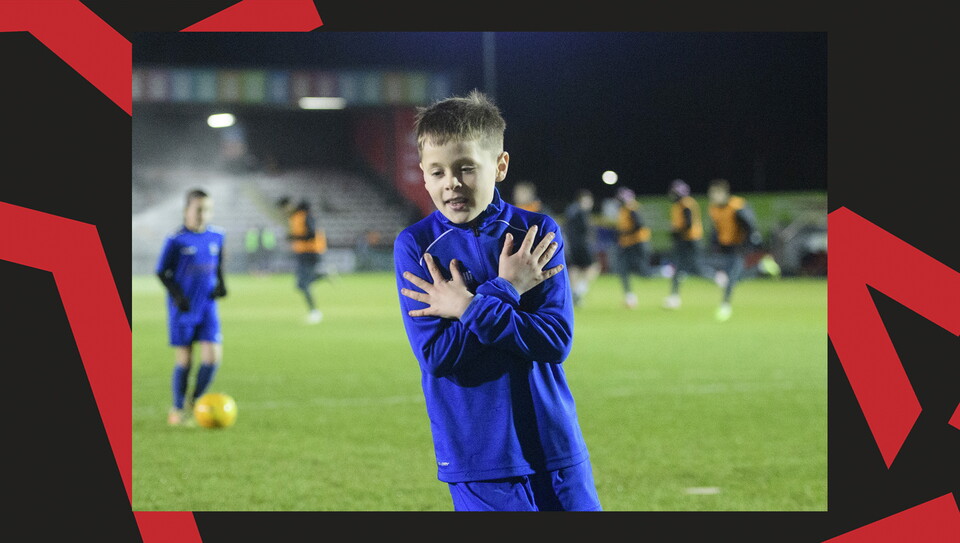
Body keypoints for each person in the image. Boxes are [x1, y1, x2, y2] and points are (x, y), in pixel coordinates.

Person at [393, 90, 602, 512]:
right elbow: (437, 354)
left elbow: (555, 341)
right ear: (424, 174)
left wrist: (468, 308)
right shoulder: (417, 247)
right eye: (436, 172)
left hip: (554, 444)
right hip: (477, 457)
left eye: (465, 167)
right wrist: (504, 290)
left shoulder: (537, 233)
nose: (451, 182)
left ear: (499, 165)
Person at [156, 188, 228, 426]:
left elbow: (218, 264)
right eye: (198, 209)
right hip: (183, 309)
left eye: (207, 210)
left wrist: (221, 285)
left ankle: (194, 401)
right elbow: (162, 272)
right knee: (185, 360)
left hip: (207, 306)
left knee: (213, 357)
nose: (202, 214)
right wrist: (178, 296)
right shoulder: (176, 239)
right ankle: (177, 409)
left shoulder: (217, 235)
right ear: (186, 210)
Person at [706, 178, 762, 321]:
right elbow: (716, 229)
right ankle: (760, 267)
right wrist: (714, 244)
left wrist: (748, 243)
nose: (713, 196)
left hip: (739, 247)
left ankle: (725, 305)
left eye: (715, 193)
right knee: (734, 275)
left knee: (731, 277)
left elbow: (749, 225)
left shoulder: (737, 205)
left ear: (724, 192)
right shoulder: (713, 209)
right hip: (726, 248)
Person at [277, 196, 328, 323]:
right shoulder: (295, 217)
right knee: (301, 284)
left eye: (283, 208)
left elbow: (311, 234)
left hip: (310, 252)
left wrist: (294, 237)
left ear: (288, 205)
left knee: (303, 284)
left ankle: (315, 312)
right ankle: (322, 275)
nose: (283, 212)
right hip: (303, 252)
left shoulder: (304, 215)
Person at [662, 179, 708, 310]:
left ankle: (719, 279)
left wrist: (676, 231)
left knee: (696, 268)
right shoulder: (679, 204)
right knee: (679, 268)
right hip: (685, 240)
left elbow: (688, 224)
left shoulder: (686, 204)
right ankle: (674, 297)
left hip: (690, 240)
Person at [614, 186, 652, 309]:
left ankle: (666, 271)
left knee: (643, 271)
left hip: (637, 244)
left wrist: (625, 233)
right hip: (628, 244)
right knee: (623, 270)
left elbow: (639, 225)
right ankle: (630, 297)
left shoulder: (632, 208)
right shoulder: (625, 209)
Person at [563, 189, 601, 306]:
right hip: (582, 246)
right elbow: (586, 231)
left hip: (572, 246)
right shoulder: (581, 213)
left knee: (575, 268)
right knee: (595, 267)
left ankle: (573, 293)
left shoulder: (571, 210)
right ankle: (578, 291)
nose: (590, 203)